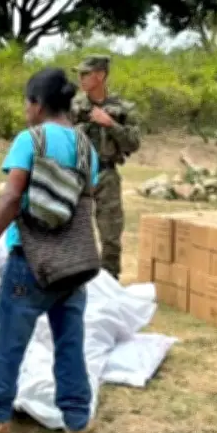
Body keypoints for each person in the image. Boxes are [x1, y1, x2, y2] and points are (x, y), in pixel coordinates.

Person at [0, 67, 99, 433]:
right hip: (74, 263)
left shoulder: (30, 140)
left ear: (37, 104)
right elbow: (83, 201)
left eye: (26, 103)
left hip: (30, 260)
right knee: (70, 342)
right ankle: (77, 421)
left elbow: (11, 196)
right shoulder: (86, 147)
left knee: (8, 340)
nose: (25, 110)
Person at [71, 55, 140, 280]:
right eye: (79, 74)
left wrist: (110, 124)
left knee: (111, 236)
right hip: (77, 175)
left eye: (85, 74)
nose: (80, 78)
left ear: (100, 76)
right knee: (73, 231)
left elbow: (133, 143)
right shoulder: (73, 107)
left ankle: (110, 282)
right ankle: (75, 281)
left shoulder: (123, 108)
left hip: (106, 173)